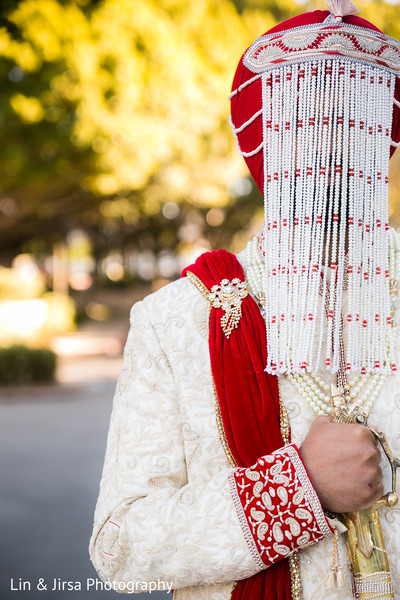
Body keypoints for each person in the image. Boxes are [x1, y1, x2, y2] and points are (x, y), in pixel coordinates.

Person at [89, 1, 400, 598]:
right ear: (265, 142)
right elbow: (120, 547)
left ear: (380, 136)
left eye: (352, 120)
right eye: (304, 122)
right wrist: (294, 490)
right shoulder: (178, 320)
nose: (330, 152)